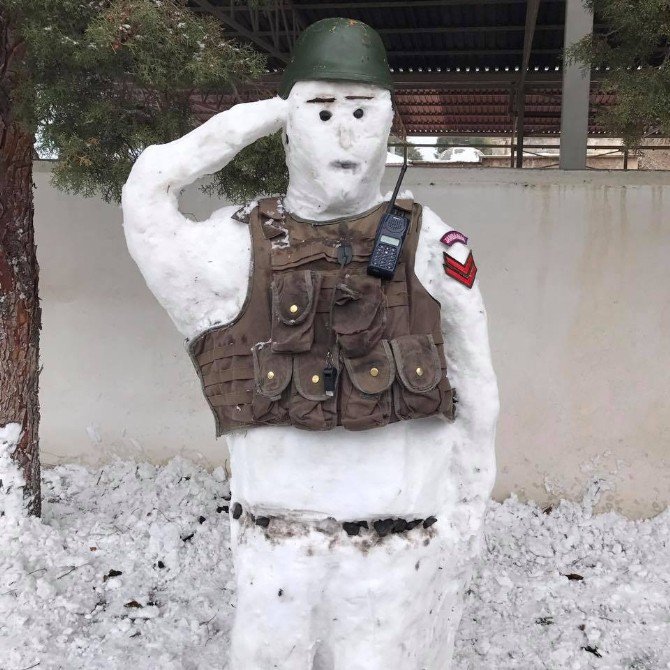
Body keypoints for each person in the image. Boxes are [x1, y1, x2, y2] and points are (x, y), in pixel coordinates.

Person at [122, 18, 498, 670]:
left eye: (361, 109)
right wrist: (254, 117)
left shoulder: (433, 243)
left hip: (395, 553)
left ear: (389, 120)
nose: (346, 133)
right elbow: (147, 196)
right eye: (322, 112)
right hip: (277, 554)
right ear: (293, 121)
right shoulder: (235, 247)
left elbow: (475, 386)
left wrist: (467, 513)